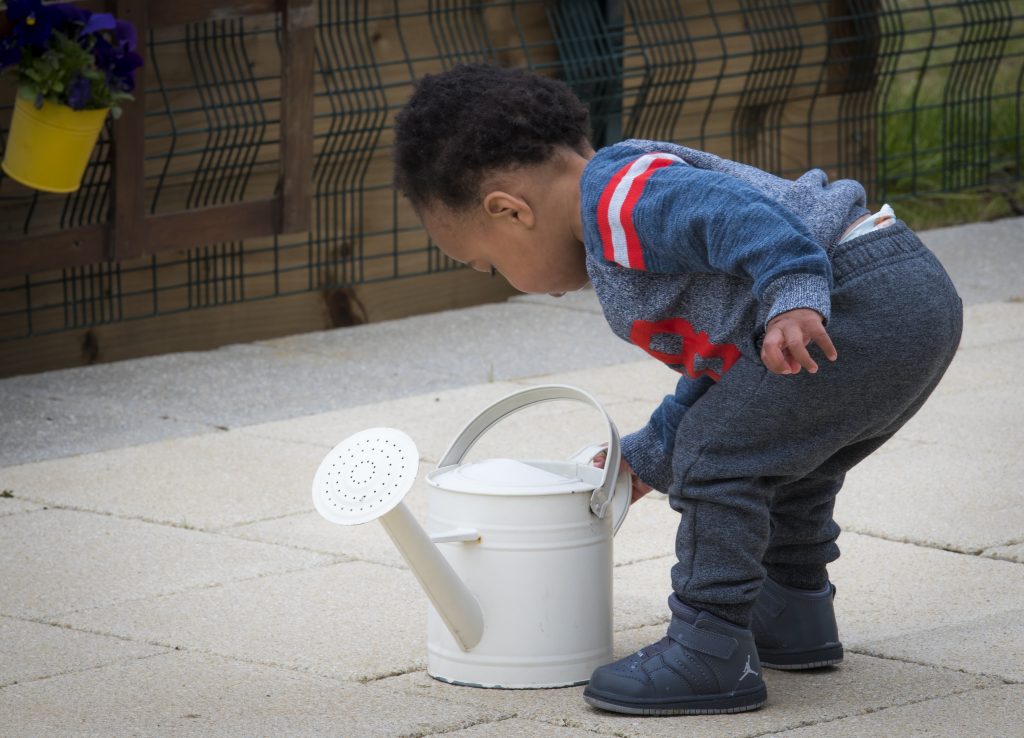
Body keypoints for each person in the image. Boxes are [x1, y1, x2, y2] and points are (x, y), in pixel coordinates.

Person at [391, 63, 962, 716]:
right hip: (901, 298)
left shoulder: (618, 196)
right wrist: (653, 448)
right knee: (776, 453)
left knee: (719, 462)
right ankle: (793, 609)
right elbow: (725, 375)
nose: (501, 277)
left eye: (487, 263)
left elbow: (739, 216)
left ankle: (710, 645)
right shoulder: (615, 216)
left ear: (509, 210)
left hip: (852, 292)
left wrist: (792, 293)